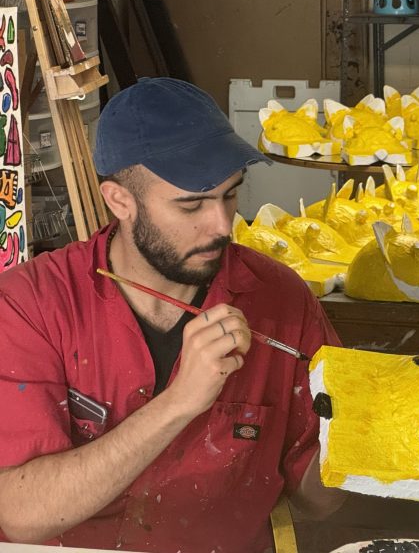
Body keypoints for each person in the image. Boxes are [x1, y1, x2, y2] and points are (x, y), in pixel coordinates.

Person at [0, 77, 345, 551]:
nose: (223, 225)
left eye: (230, 194)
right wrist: (180, 402)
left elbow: (318, 502)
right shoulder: (31, 303)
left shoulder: (279, 299)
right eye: (192, 204)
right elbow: (20, 516)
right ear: (119, 200)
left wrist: (369, 435)